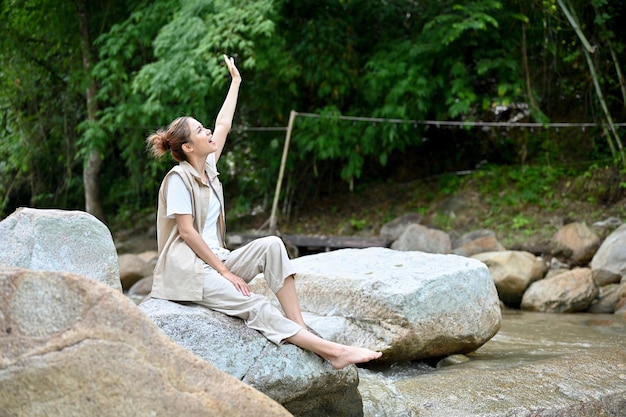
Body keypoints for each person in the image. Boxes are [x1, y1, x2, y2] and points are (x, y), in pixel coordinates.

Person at [145, 54, 381, 370]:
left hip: (218, 262)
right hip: (189, 272)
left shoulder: (208, 168)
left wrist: (236, 81)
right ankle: (333, 352)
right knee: (253, 302)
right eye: (200, 130)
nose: (208, 132)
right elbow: (186, 233)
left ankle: (301, 330)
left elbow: (224, 122)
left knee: (271, 245)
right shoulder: (177, 179)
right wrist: (226, 273)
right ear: (187, 147)